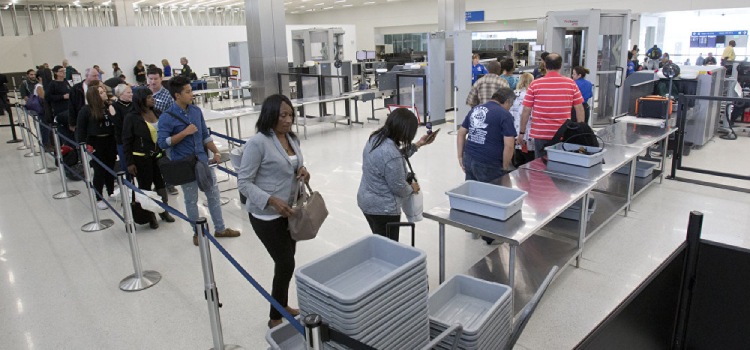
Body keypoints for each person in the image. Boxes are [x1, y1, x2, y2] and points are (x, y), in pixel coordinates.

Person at [237, 94, 311, 329]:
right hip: (266, 216)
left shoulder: (291, 138)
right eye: (283, 115)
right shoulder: (258, 143)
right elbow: (244, 182)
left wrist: (303, 170)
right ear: (270, 115)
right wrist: (270, 200)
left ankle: (282, 304)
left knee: (285, 263)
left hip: (290, 212)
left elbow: (294, 164)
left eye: (291, 115)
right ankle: (275, 317)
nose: (288, 120)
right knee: (286, 262)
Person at [157, 76, 240, 246]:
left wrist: (215, 152)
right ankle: (198, 232)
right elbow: (162, 142)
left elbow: (204, 135)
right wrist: (184, 133)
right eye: (187, 92)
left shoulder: (196, 111)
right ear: (177, 95)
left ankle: (220, 228)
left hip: (203, 161)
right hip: (184, 164)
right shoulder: (167, 117)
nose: (191, 94)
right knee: (190, 199)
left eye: (191, 90)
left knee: (213, 194)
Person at [357, 108, 436, 242]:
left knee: (380, 241)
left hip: (367, 201)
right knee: (389, 247)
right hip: (383, 209)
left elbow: (393, 159)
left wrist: (418, 145)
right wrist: (412, 188)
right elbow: (399, 188)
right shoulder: (391, 154)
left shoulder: (376, 138)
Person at [458, 87, 517, 245]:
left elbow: (461, 132)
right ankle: (489, 235)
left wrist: (460, 155)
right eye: (511, 105)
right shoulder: (505, 115)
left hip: (470, 157)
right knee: (491, 199)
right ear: (507, 101)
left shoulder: (476, 109)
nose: (510, 108)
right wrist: (505, 167)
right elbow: (509, 145)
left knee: (473, 194)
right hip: (489, 163)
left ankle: (471, 227)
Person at [122, 88, 175, 228]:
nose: (153, 99)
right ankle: (150, 215)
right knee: (146, 187)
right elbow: (126, 141)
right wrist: (129, 162)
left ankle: (164, 211)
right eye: (149, 97)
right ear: (141, 99)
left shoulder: (157, 112)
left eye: (152, 96)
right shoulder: (132, 117)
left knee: (161, 185)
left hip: (158, 156)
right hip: (141, 158)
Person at [518, 53, 585, 158]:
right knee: (561, 164)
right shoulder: (570, 83)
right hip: (563, 133)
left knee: (540, 165)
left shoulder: (535, 84)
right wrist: (580, 131)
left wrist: (522, 132)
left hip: (540, 134)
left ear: (545, 65)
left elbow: (526, 110)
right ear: (561, 65)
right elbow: (579, 108)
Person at [76, 84, 118, 210]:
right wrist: (83, 146)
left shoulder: (108, 106)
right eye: (101, 92)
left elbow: (116, 121)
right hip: (95, 142)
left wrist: (111, 107)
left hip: (110, 140)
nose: (105, 93)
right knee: (99, 171)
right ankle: (99, 197)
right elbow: (81, 130)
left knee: (110, 168)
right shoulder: (86, 110)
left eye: (104, 91)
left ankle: (111, 192)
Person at [146, 67, 179, 196]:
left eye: (156, 79)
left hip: (164, 134)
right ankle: (157, 184)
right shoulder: (143, 93)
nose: (153, 82)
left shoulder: (167, 95)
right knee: (153, 161)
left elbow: (172, 115)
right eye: (151, 79)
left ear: (161, 79)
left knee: (167, 159)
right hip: (148, 135)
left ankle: (170, 184)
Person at [510, 73, 535, 167]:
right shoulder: (531, 96)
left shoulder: (513, 94)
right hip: (527, 131)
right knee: (529, 160)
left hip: (513, 131)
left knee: (517, 160)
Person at [46, 65, 73, 145]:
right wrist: (62, 97)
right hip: (60, 109)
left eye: (64, 71)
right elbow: (48, 97)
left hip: (68, 107)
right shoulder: (53, 84)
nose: (64, 73)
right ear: (56, 73)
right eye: (61, 71)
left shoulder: (65, 82)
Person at [69, 68, 101, 133]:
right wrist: (72, 123)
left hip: (97, 117)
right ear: (87, 76)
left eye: (97, 76)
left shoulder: (100, 87)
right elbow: (72, 106)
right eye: (94, 76)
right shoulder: (76, 88)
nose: (97, 78)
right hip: (82, 117)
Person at [112, 84, 133, 174]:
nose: (131, 94)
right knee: (126, 166)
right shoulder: (114, 106)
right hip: (123, 141)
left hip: (135, 139)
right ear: (120, 94)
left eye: (131, 92)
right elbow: (118, 123)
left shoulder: (134, 104)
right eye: (128, 92)